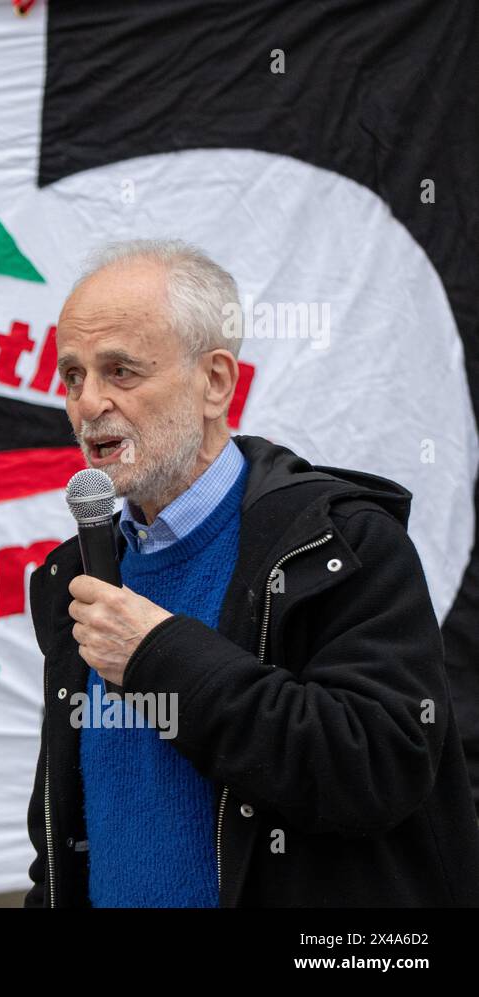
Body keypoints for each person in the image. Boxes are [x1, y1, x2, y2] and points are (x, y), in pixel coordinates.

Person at [23, 238, 479, 907]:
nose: (88, 402)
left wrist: (159, 654)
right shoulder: (75, 576)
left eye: (120, 371)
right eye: (72, 375)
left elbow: (377, 766)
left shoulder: (339, 546)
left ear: (215, 382)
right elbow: (63, 833)